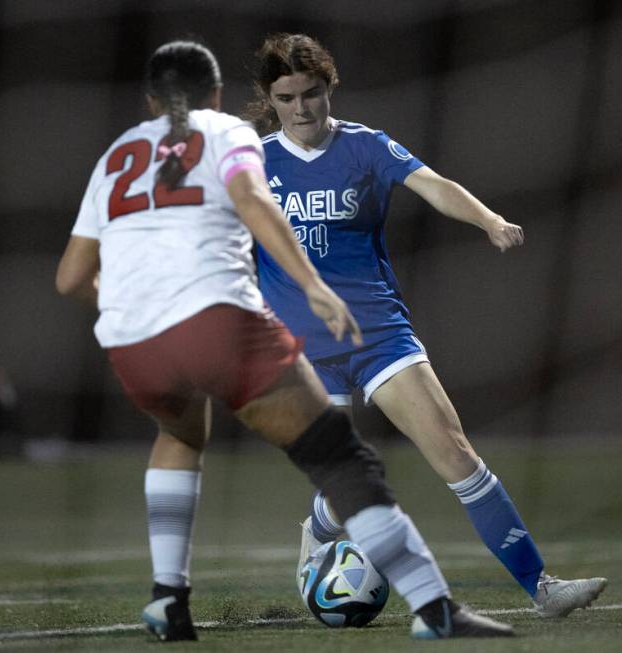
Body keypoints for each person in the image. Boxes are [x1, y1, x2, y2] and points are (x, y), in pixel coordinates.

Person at [56, 40, 513, 642]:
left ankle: (169, 598)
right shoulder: (228, 133)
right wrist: (312, 287)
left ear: (149, 101)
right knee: (342, 458)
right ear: (218, 97)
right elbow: (253, 201)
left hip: (135, 341)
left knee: (178, 433)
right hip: (219, 323)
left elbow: (68, 278)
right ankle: (434, 609)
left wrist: (128, 309)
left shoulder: (116, 155)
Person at [242, 33, 607, 619]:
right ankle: (319, 527)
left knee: (454, 450)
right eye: (287, 98)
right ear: (270, 97)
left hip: (377, 333)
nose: (302, 109)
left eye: (312, 93)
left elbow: (432, 184)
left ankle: (543, 589)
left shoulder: (364, 147)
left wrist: (488, 220)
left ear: (329, 88)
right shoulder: (251, 163)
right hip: (303, 346)